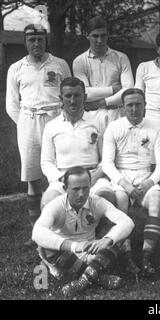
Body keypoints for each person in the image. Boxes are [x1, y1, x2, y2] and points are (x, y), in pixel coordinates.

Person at [6, 24, 72, 246]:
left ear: (46, 41)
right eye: (31, 39)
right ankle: (37, 232)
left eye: (40, 39)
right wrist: (26, 124)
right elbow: (11, 105)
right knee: (33, 178)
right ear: (25, 42)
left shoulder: (59, 64)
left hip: (55, 120)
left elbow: (69, 93)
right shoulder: (16, 68)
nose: (36, 43)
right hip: (29, 123)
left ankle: (65, 226)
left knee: (61, 174)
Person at [32, 166, 135, 298]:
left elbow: (127, 222)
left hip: (92, 255)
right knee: (44, 247)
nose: (81, 194)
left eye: (85, 188)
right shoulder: (56, 205)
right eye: (75, 189)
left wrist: (107, 239)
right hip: (64, 259)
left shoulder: (96, 202)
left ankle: (82, 281)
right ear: (65, 189)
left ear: (90, 186)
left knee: (119, 235)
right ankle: (98, 277)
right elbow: (37, 232)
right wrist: (74, 246)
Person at [102, 88, 160, 275]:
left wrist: (149, 182)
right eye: (129, 105)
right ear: (123, 107)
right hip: (122, 177)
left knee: (155, 202)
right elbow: (107, 163)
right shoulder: (114, 127)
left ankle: (147, 256)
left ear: (145, 105)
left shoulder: (157, 126)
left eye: (138, 104)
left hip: (146, 175)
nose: (134, 109)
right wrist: (125, 185)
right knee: (121, 202)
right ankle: (127, 256)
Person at [41, 77, 115, 207]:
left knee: (106, 196)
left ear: (85, 97)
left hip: (92, 177)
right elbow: (46, 162)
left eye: (77, 96)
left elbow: (107, 158)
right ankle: (60, 228)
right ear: (60, 98)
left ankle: (97, 228)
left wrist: (96, 175)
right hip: (63, 178)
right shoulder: (51, 126)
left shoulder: (98, 122)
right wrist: (63, 178)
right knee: (48, 201)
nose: (72, 101)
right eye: (68, 96)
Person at [73, 16, 134, 127]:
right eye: (95, 36)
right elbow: (85, 93)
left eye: (103, 35)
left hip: (117, 114)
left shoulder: (121, 58)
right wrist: (113, 89)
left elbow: (128, 91)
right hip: (91, 116)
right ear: (87, 36)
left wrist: (101, 103)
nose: (99, 40)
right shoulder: (79, 61)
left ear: (108, 35)